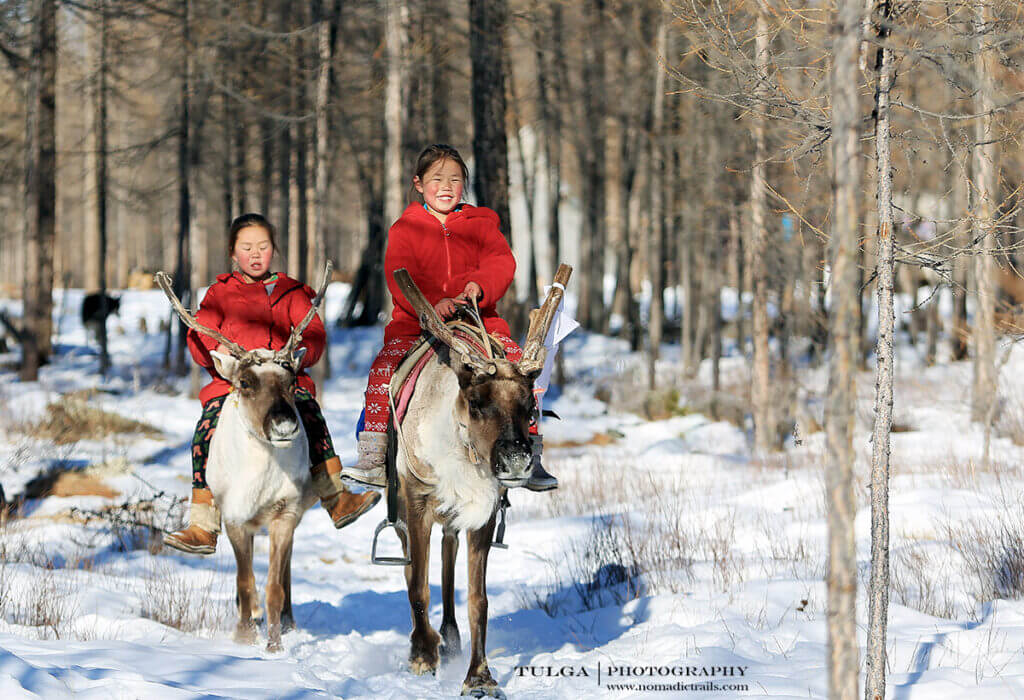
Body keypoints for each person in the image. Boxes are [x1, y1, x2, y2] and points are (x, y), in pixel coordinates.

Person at [343, 144, 557, 492]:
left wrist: (480, 286)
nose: (446, 186)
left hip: (479, 324)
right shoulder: (405, 229)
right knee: (383, 370)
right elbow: (399, 274)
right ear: (418, 183)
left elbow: (501, 264)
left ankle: (529, 451)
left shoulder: (482, 225)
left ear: (464, 185)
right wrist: (430, 304)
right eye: (437, 179)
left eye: (455, 179)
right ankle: (374, 456)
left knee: (520, 370)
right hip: (416, 325)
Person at [164, 213, 380, 555]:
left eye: (262, 247)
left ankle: (335, 497)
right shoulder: (219, 295)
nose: (255, 254)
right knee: (205, 431)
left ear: (273, 250)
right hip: (237, 387)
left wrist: (299, 353)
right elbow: (200, 333)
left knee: (311, 417)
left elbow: (313, 335)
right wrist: (216, 352)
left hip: (282, 385)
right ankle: (203, 522)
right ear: (233, 253)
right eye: (246, 247)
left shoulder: (292, 293)